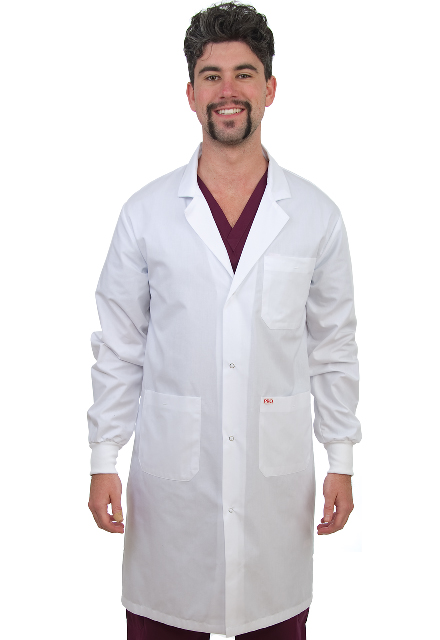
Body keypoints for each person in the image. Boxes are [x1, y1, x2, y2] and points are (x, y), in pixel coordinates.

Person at [87, 2, 361, 638]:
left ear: (270, 88)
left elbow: (333, 346)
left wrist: (341, 455)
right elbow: (120, 345)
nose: (228, 90)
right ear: (190, 94)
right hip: (172, 491)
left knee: (273, 618)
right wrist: (104, 455)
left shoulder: (316, 216)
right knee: (165, 615)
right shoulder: (146, 214)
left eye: (244, 74)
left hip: (274, 489)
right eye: (211, 76)